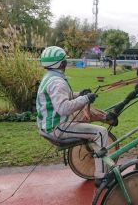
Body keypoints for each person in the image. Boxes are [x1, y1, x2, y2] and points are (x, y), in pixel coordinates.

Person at [36, 46, 108, 185]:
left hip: (48, 124)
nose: (66, 63)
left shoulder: (50, 77)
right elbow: (63, 108)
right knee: (101, 132)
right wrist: (86, 99)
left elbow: (60, 98)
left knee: (87, 121)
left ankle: (96, 159)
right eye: (65, 61)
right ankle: (101, 176)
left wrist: (79, 94)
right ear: (61, 64)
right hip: (57, 127)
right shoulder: (57, 82)